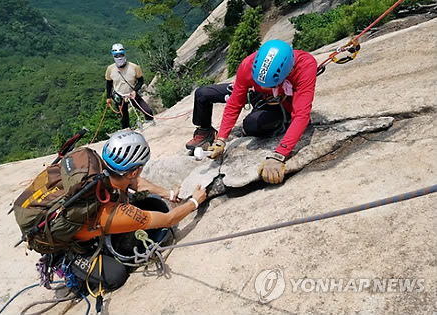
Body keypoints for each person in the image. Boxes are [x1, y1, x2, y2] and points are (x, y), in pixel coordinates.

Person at [72, 130, 207, 289]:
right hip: (74, 245)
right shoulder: (119, 214)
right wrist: (194, 202)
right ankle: (70, 264)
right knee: (116, 274)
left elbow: (136, 183)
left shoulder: (102, 168)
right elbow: (168, 220)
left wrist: (169, 194)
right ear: (134, 171)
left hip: (82, 222)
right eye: (140, 168)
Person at [185, 40, 317, 184]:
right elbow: (235, 103)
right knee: (203, 93)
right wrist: (221, 139)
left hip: (282, 101)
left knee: (252, 125)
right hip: (256, 92)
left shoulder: (305, 65)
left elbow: (301, 115)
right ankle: (205, 132)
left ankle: (282, 122)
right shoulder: (248, 65)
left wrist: (279, 155)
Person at [106, 43, 155, 129]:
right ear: (113, 56)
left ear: (124, 54)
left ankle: (150, 127)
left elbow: (140, 80)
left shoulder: (134, 67)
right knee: (124, 118)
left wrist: (134, 91)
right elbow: (109, 83)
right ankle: (127, 131)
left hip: (132, 94)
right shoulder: (110, 69)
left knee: (147, 111)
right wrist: (108, 97)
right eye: (116, 55)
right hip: (119, 96)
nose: (119, 57)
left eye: (121, 55)